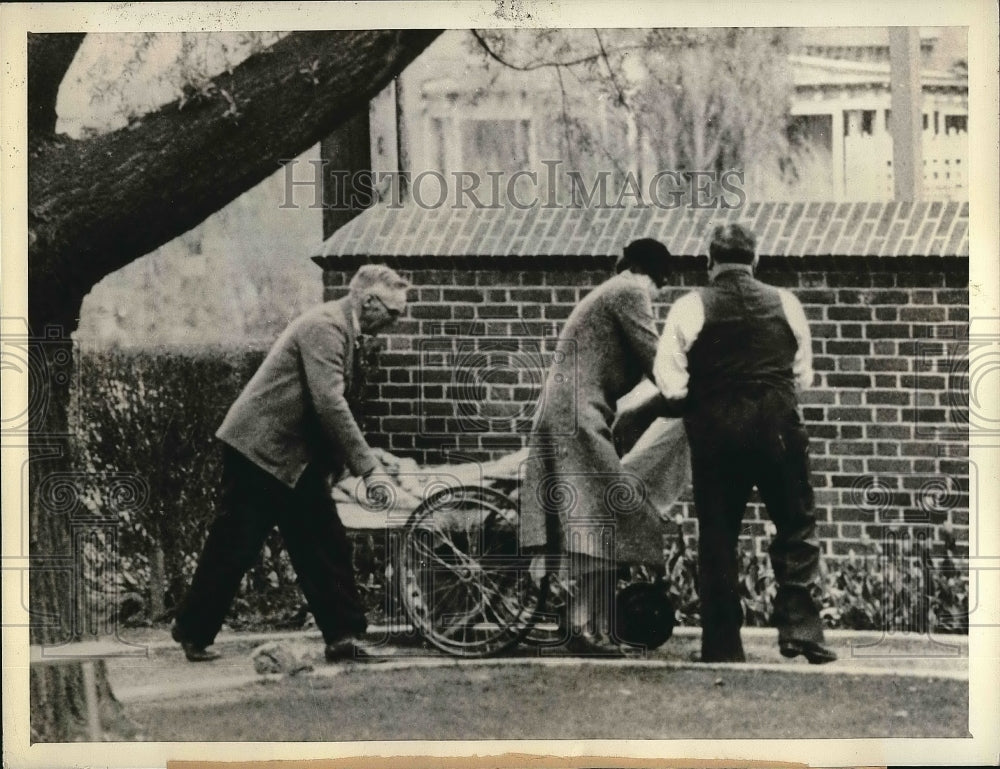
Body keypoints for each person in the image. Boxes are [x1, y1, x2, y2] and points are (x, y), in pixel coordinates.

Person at [171, 264, 412, 663]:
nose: (395, 323)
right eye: (393, 313)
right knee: (237, 544)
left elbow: (327, 408)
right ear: (369, 301)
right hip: (259, 450)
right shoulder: (326, 326)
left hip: (287, 454)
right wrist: (368, 470)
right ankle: (192, 630)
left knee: (322, 540)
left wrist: (362, 460)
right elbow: (329, 404)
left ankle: (342, 637)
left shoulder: (342, 327)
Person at [652, 223, 836, 664]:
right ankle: (801, 630)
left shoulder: (689, 306)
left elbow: (671, 382)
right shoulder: (786, 303)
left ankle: (723, 644)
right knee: (796, 526)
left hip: (717, 435)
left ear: (709, 262)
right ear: (756, 261)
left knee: (718, 536)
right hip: (778, 430)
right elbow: (802, 376)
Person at [519, 238, 678, 655]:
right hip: (577, 419)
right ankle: (579, 626)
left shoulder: (611, 292)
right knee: (605, 515)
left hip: (574, 413)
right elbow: (658, 362)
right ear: (658, 275)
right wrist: (695, 391)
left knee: (599, 518)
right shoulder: (630, 290)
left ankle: (590, 624)